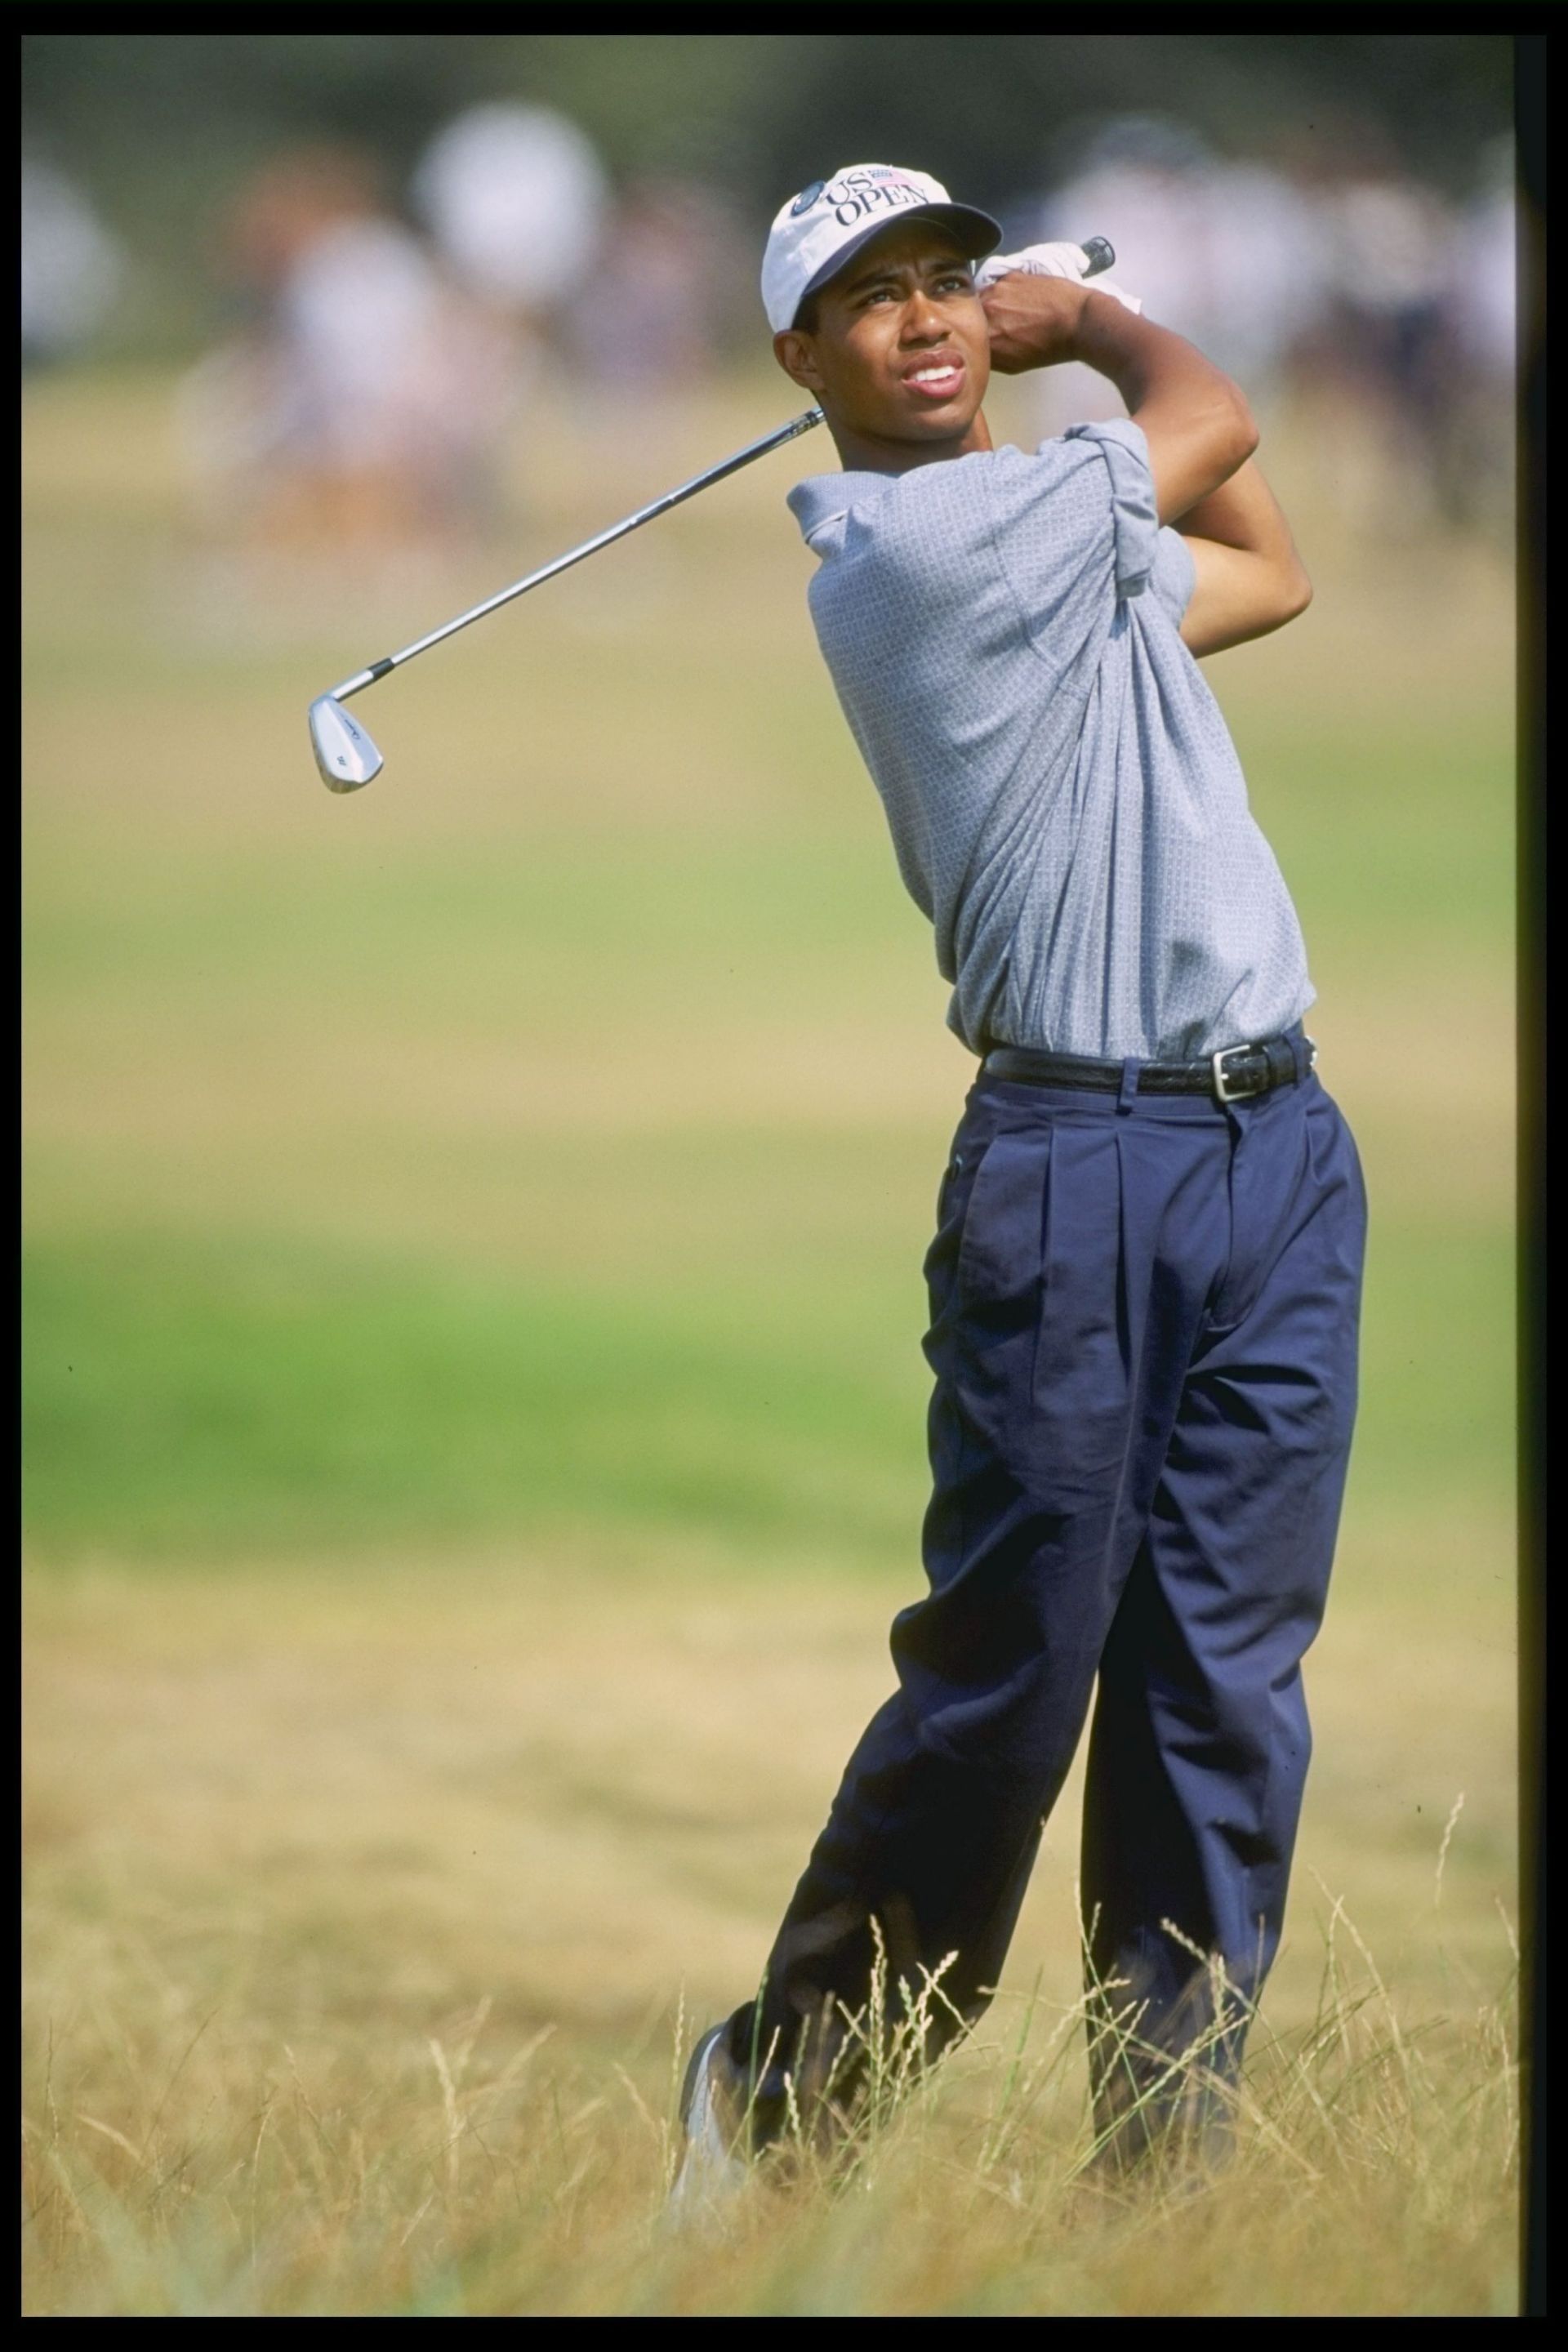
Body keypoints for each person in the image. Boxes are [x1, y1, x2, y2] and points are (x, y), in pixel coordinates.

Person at [670, 163, 1366, 2209]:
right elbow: (1216, 424)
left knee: (1222, 1691)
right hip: (1076, 1159)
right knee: (1011, 1685)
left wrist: (1048, 352)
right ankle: (777, 2103)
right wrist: (1093, 328)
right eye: (868, 302)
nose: (925, 319)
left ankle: (1163, 2187)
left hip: (1277, 1151)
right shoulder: (911, 554)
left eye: (948, 281)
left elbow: (1272, 569)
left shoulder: (1063, 544)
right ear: (801, 363)